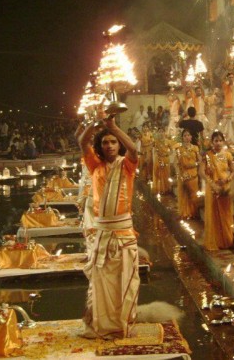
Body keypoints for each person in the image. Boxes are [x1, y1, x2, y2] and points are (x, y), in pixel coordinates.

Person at [77, 115, 139, 339]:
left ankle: (122, 325)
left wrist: (113, 127)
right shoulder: (95, 165)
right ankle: (100, 325)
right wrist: (94, 123)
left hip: (124, 233)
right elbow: (83, 143)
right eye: (105, 142)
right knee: (100, 284)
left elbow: (133, 149)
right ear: (100, 147)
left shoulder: (127, 165)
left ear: (118, 144)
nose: (110, 146)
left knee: (125, 283)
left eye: (113, 142)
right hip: (102, 234)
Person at [199, 131, 234, 250]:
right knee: (213, 215)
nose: (218, 143)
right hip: (212, 188)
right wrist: (212, 184)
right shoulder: (207, 155)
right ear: (212, 142)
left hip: (225, 188)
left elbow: (233, 170)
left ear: (223, 141)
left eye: (220, 140)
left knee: (226, 215)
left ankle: (226, 240)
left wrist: (228, 179)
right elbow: (201, 172)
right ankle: (216, 241)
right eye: (216, 140)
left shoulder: (228, 155)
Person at [176, 129, 201, 220]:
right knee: (184, 194)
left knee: (193, 194)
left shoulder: (195, 148)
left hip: (193, 174)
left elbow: (199, 160)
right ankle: (185, 213)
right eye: (185, 135)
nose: (187, 137)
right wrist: (182, 174)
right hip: (184, 174)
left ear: (191, 137)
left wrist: (194, 165)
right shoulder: (179, 150)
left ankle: (193, 213)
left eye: (188, 135)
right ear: (182, 138)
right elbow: (178, 164)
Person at [221, 72, 234, 143]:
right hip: (228, 109)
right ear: (227, 79)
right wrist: (227, 71)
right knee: (227, 125)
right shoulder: (225, 86)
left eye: (232, 77)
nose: (231, 79)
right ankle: (228, 140)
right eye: (230, 77)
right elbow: (222, 79)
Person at [152, 127, 172, 194]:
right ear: (158, 133)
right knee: (159, 174)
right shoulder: (155, 141)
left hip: (166, 159)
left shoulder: (168, 141)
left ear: (164, 133)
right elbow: (154, 150)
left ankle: (166, 189)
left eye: (162, 132)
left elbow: (171, 150)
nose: (161, 133)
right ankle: (160, 189)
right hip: (158, 159)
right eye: (159, 131)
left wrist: (167, 154)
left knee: (166, 174)